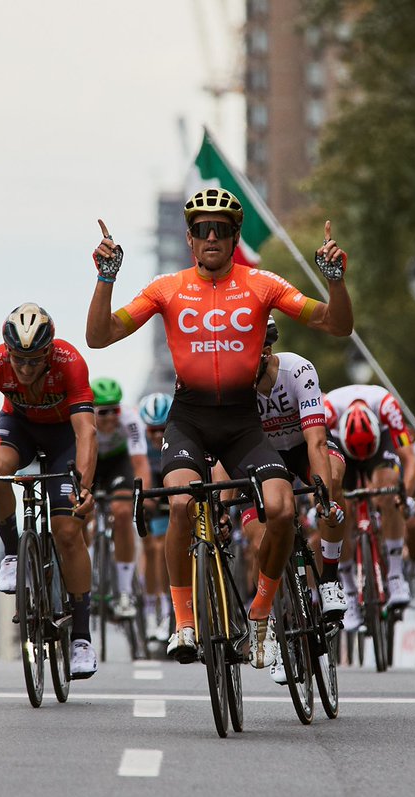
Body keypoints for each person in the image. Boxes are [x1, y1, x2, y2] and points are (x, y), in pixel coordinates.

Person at [84, 190, 353, 669]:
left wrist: (335, 281)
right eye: (203, 228)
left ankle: (261, 619)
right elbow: (99, 336)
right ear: (189, 238)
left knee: (282, 509)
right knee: (182, 503)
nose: (212, 236)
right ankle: (183, 622)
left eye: (223, 229)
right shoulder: (166, 288)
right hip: (189, 421)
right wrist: (106, 278)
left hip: (242, 424)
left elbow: (336, 325)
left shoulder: (261, 284)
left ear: (234, 237)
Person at [0, 303, 99, 678]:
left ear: (49, 353)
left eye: (35, 361)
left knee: (67, 532)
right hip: (20, 429)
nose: (26, 370)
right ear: (7, 352)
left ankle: (80, 637)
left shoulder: (70, 361)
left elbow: (86, 433)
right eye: (19, 360)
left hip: (64, 436)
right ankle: (13, 553)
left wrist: (84, 488)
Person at [245, 316, 347, 683]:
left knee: (334, 477)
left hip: (303, 449)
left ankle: (331, 579)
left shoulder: (298, 369)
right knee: (261, 536)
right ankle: (273, 623)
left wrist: (324, 497)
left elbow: (317, 441)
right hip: (261, 460)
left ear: (266, 351)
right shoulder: (233, 379)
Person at [323, 383, 415, 623]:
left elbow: (410, 460)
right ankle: (347, 587)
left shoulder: (387, 405)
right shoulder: (328, 413)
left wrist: (404, 496)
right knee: (337, 507)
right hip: (339, 444)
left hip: (380, 445)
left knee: (388, 488)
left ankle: (396, 576)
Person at [90, 377, 152, 619]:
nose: (110, 417)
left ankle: (125, 591)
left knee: (123, 512)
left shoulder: (130, 420)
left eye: (114, 410)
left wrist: (142, 498)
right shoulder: (81, 419)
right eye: (103, 411)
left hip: (118, 463)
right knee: (79, 515)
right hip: (91, 461)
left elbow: (140, 462)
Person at [137, 392, 173, 642]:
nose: (158, 436)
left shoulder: (179, 437)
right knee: (154, 546)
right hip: (151, 490)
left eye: (163, 429)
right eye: (153, 431)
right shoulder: (137, 442)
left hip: (173, 486)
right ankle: (154, 606)